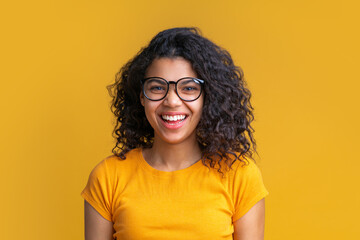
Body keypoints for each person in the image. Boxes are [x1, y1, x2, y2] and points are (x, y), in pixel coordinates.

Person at [81, 27, 269, 240]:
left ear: (207, 98)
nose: (171, 101)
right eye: (157, 88)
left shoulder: (240, 175)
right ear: (142, 97)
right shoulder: (107, 177)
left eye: (188, 88)